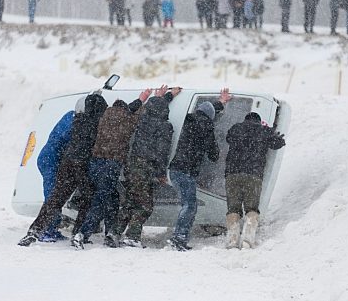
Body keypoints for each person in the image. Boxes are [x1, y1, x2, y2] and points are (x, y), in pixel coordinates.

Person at [18, 93, 108, 247]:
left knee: (55, 198)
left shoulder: (74, 118)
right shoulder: (95, 124)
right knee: (86, 198)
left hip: (64, 161)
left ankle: (35, 230)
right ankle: (64, 232)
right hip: (60, 161)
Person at [71, 89, 153, 249]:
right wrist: (147, 99)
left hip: (95, 163)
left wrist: (138, 101)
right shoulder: (129, 119)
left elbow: (127, 111)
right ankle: (81, 234)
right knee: (100, 201)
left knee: (112, 199)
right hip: (110, 165)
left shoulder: (106, 115)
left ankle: (110, 233)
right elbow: (138, 115)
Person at [112, 86, 181, 248]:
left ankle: (114, 232)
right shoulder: (165, 126)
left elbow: (155, 108)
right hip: (146, 167)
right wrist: (161, 173)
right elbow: (162, 152)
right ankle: (132, 237)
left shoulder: (141, 119)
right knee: (145, 206)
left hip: (131, 165)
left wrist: (166, 96)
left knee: (129, 202)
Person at [167, 89, 232, 251]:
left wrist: (220, 103)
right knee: (190, 205)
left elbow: (205, 111)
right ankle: (179, 237)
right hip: (186, 171)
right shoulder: (207, 126)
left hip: (175, 169)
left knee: (187, 204)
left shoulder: (187, 120)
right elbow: (214, 155)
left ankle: (179, 236)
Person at [224, 112, 286, 249]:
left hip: (232, 174)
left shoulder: (236, 128)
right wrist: (276, 137)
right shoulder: (264, 130)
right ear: (259, 121)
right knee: (251, 208)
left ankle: (232, 241)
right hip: (253, 174)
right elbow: (278, 143)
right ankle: (247, 239)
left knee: (233, 208)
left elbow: (228, 139)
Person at [36, 100, 81, 242]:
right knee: (52, 195)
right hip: (50, 161)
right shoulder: (74, 125)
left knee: (54, 194)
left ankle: (51, 227)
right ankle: (46, 230)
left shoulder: (70, 115)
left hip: (47, 157)